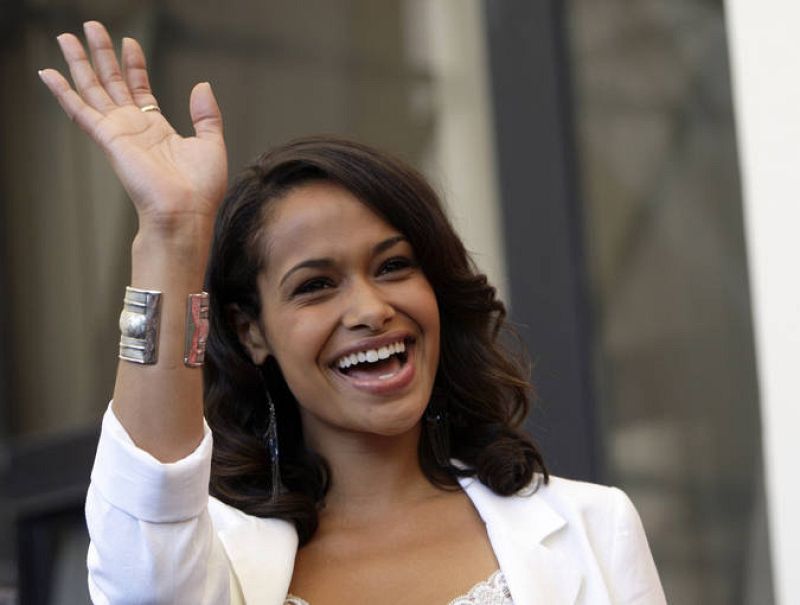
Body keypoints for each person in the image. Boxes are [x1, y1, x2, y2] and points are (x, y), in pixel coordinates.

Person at [39, 21, 667, 605]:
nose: (371, 309)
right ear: (250, 330)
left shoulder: (594, 527)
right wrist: (172, 233)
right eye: (315, 286)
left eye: (394, 266)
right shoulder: (220, 558)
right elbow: (146, 541)